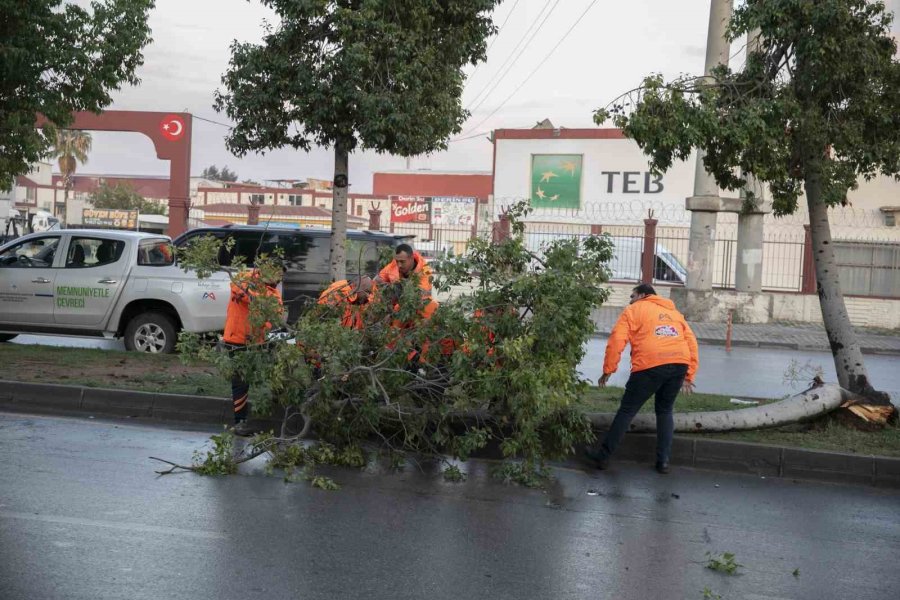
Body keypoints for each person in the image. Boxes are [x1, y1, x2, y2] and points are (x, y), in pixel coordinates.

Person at [585, 284, 698, 474]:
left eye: (633, 296)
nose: (630, 300)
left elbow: (617, 340)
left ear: (642, 295)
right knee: (665, 411)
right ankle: (663, 462)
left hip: (649, 364)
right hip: (679, 364)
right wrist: (689, 374)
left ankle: (602, 457)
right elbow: (691, 342)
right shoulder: (674, 313)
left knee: (627, 411)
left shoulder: (633, 310)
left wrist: (608, 370)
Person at [223, 268, 284, 436]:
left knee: (277, 370)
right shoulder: (245, 277)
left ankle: (279, 404)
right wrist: (263, 301)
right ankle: (240, 422)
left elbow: (276, 314)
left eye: (281, 276)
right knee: (241, 382)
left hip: (258, 341)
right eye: (278, 274)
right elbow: (241, 292)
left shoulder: (274, 292)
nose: (279, 280)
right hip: (237, 340)